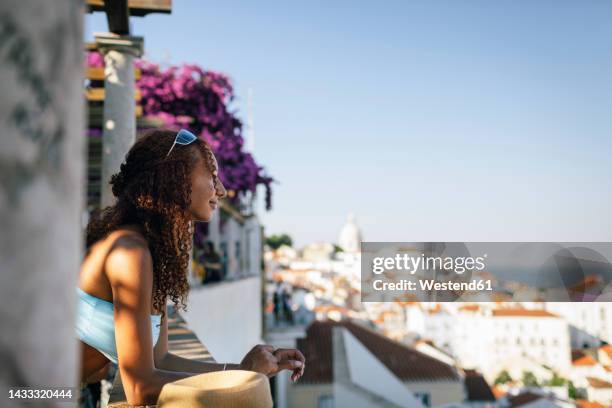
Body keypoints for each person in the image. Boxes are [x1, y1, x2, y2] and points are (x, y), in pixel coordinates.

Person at [76, 129, 305, 406]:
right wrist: (240, 378)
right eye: (212, 176)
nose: (220, 190)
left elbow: (160, 360)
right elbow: (138, 387)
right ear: (175, 179)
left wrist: (242, 369)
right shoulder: (129, 253)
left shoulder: (150, 252)